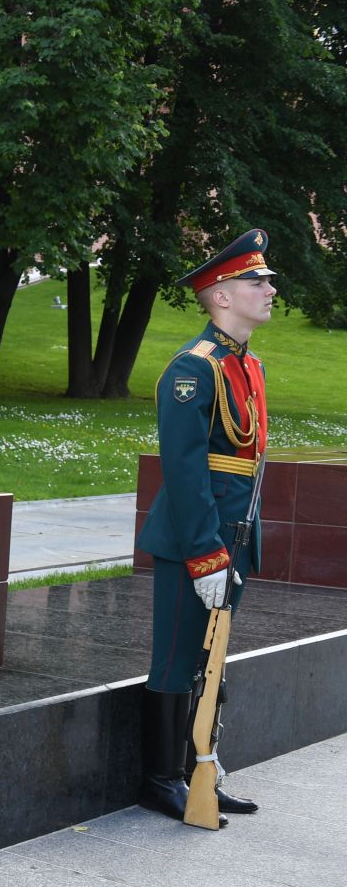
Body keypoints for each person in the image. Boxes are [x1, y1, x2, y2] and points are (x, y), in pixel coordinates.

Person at [132, 228, 271, 822]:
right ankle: (160, 778)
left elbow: (247, 461)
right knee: (177, 656)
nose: (268, 290)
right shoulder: (194, 369)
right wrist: (207, 555)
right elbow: (185, 472)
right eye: (254, 281)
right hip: (198, 541)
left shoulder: (249, 366)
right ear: (219, 295)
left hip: (233, 536)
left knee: (211, 657)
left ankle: (200, 767)